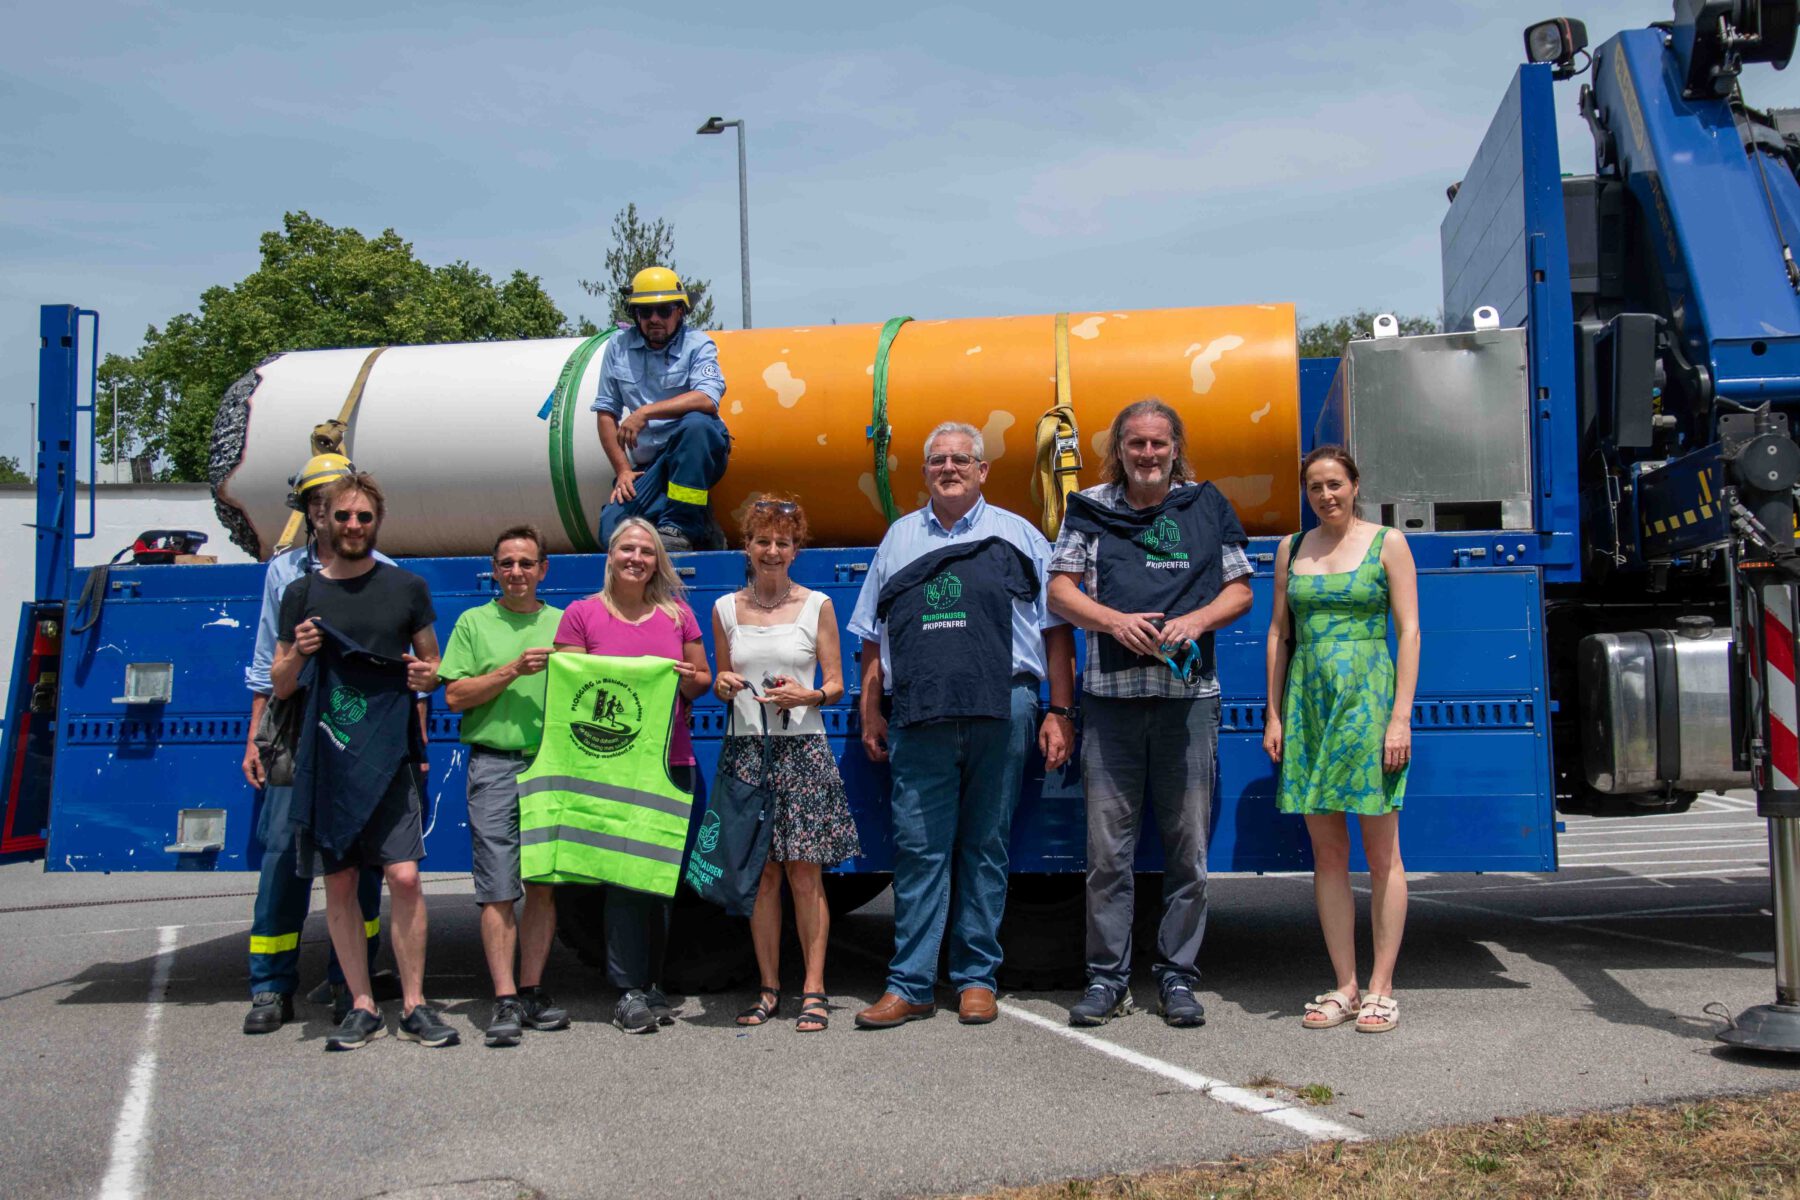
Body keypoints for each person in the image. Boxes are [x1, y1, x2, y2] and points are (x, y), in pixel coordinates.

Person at [849, 422, 1076, 1030]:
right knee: (919, 850)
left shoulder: (1020, 534)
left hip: (1005, 708)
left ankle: (977, 978)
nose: (948, 468)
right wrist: (871, 709)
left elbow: (1056, 631)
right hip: (918, 714)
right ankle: (910, 985)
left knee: (985, 847)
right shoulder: (898, 539)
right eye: (937, 460)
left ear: (982, 471)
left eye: (961, 459)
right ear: (925, 473)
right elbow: (871, 638)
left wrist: (1059, 711)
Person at [1048, 398, 1253, 1029]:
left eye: (1158, 444)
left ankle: (1178, 977)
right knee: (1107, 855)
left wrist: (1194, 619)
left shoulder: (1207, 507)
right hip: (1110, 704)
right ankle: (1107, 980)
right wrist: (1112, 620)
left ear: (1175, 448)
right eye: (1135, 444)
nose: (1147, 455)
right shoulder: (1089, 509)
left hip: (1187, 704)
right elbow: (1058, 587)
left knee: (1188, 850)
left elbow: (1241, 589)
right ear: (1120, 450)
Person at [271, 472, 454, 1051]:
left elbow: (433, 664)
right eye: (343, 517)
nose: (353, 526)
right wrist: (298, 655)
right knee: (342, 882)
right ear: (321, 520)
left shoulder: (406, 587)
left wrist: (429, 677)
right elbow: (279, 684)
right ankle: (361, 1003)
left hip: (392, 752)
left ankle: (417, 1004)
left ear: (378, 522)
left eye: (364, 518)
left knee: (403, 876)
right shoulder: (300, 594)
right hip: (327, 757)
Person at [1263, 445, 1418, 1034]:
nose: (1325, 495)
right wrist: (1274, 713)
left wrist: (1399, 716)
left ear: (1355, 484)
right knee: (1328, 856)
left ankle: (1382, 989)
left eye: (1335, 484)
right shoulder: (1292, 548)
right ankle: (1345, 986)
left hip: (1369, 703)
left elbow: (1409, 631)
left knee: (1382, 855)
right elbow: (1280, 632)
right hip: (1310, 705)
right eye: (1314, 487)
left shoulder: (1388, 544)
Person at [239, 452, 390, 1034]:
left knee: (362, 858)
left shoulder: (387, 570)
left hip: (357, 727)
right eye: (318, 505)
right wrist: (258, 733)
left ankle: (350, 979)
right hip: (297, 723)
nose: (330, 516)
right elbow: (265, 663)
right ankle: (271, 987)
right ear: (308, 513)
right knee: (282, 854)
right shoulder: (285, 574)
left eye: (341, 505)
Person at [552, 517, 712, 1033]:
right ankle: (627, 990)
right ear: (611, 556)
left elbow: (701, 680)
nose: (636, 558)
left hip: (672, 763)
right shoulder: (581, 616)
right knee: (623, 880)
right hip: (610, 768)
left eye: (646, 551)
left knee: (661, 879)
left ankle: (654, 982)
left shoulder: (677, 615)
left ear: (657, 562)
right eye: (627, 549)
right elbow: (570, 688)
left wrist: (691, 681)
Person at [712, 497, 861, 1033]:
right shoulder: (726, 608)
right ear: (747, 546)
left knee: (804, 874)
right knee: (763, 876)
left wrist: (809, 694)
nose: (772, 551)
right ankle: (769, 987)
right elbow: (722, 681)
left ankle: (815, 989)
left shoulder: (817, 604)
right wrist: (722, 684)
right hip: (748, 751)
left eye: (783, 542)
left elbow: (838, 682)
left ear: (797, 549)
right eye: (762, 541)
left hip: (802, 751)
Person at [436, 525, 573, 1047]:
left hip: (549, 764)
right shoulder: (474, 623)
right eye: (507, 563)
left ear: (543, 570)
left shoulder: (564, 624)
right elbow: (455, 697)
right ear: (494, 570)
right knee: (497, 888)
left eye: (526, 563)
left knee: (542, 884)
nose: (516, 572)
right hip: (493, 766)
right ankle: (505, 998)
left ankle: (533, 989)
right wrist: (513, 669)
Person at [593, 266, 731, 552]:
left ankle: (680, 525)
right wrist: (622, 470)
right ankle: (700, 528)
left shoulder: (699, 345)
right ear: (635, 315)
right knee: (613, 535)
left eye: (664, 310)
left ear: (680, 311)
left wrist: (645, 412)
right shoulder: (618, 347)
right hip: (652, 466)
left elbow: (707, 398)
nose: (654, 319)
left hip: (695, 453)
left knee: (697, 424)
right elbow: (606, 410)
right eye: (645, 312)